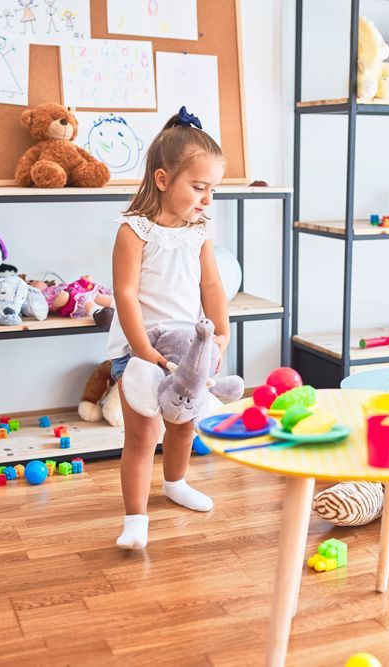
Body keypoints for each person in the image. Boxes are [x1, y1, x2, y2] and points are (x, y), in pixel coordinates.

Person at [107, 107, 229, 550]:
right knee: (142, 434)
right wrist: (141, 349)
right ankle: (135, 518)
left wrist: (221, 335)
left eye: (212, 189)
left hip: (187, 347)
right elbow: (124, 295)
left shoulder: (200, 230)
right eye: (199, 188)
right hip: (141, 350)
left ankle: (175, 483)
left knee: (183, 425)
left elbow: (211, 285)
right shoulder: (134, 231)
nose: (207, 199)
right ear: (163, 180)